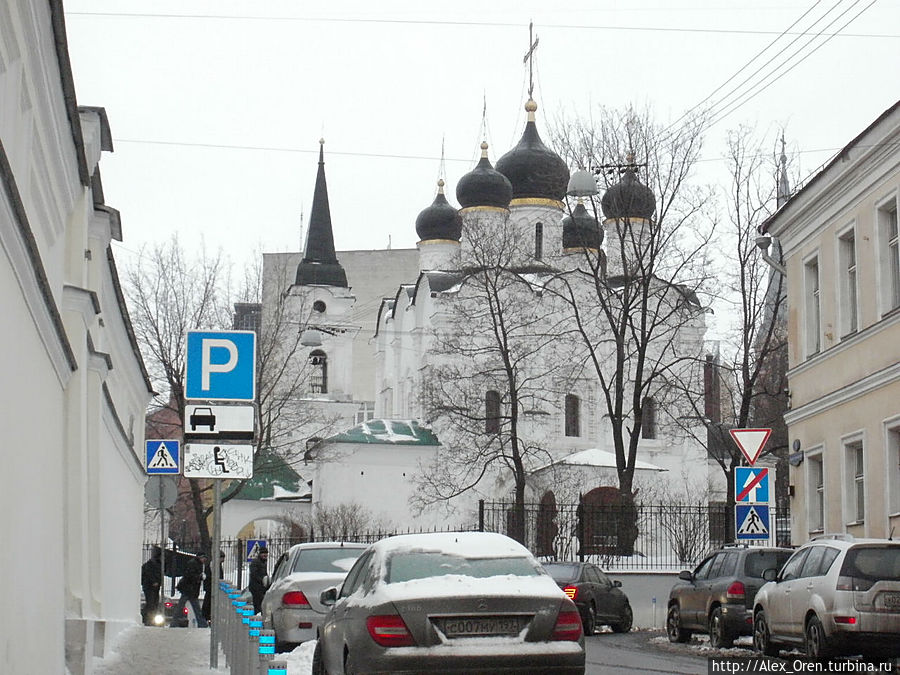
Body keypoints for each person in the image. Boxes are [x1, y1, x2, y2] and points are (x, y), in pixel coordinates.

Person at [175, 552, 209, 627]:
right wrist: (199, 577)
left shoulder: (197, 563)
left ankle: (174, 623)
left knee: (184, 607)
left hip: (190, 590)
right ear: (200, 557)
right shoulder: (194, 564)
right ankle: (202, 624)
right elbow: (190, 576)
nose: (204, 560)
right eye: (204, 558)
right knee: (194, 608)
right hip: (189, 590)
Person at [140, 546, 162, 625]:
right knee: (151, 603)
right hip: (150, 586)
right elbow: (149, 574)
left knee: (153, 603)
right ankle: (146, 619)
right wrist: (154, 581)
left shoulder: (154, 564)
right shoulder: (152, 564)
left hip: (153, 586)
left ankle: (148, 618)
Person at [202, 550, 225, 624]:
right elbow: (214, 576)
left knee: (208, 602)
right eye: (222, 558)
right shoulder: (214, 565)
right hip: (211, 587)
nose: (223, 560)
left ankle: (206, 616)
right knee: (209, 602)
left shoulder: (216, 564)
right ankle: (206, 617)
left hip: (211, 586)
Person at [248, 546, 270, 614]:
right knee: (258, 605)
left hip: (261, 588)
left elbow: (264, 574)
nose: (265, 555)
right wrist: (262, 580)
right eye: (263, 553)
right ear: (259, 554)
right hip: (256, 588)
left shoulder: (263, 562)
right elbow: (254, 574)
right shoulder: (256, 562)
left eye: (266, 553)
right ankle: (257, 618)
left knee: (261, 604)